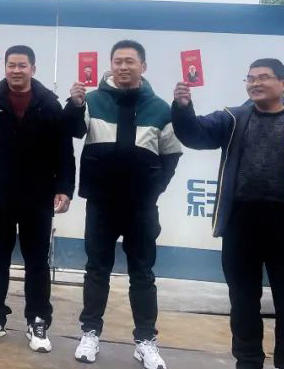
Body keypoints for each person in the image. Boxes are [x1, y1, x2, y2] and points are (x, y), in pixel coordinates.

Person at [171, 59, 284, 369]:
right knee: (242, 300)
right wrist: (183, 108)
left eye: (264, 77)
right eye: (250, 78)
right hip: (241, 224)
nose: (255, 83)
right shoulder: (233, 118)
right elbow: (196, 135)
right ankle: (248, 361)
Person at [64, 39, 180, 369]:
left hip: (141, 207)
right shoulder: (92, 100)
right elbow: (72, 130)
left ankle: (145, 340)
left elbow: (171, 154)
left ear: (143, 66)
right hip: (102, 204)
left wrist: (154, 189)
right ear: (110, 65)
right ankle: (90, 333)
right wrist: (74, 105)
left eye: (130, 61)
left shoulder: (160, 108)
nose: (123, 67)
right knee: (96, 269)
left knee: (142, 273)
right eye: (118, 61)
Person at [0, 45, 75, 353]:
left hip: (38, 195)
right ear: (4, 67)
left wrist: (64, 188)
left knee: (36, 260)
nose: (16, 70)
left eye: (22, 65)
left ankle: (37, 319)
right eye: (11, 65)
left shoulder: (50, 103)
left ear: (33, 69)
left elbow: (64, 149)